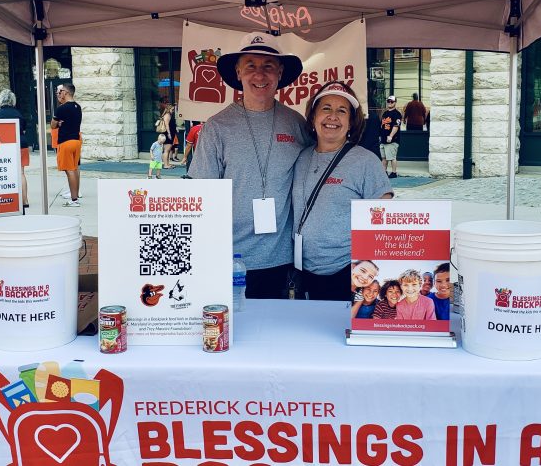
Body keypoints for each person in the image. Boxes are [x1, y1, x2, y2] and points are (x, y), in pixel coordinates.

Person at [188, 31, 309, 298]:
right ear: (238, 72)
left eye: (268, 66)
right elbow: (201, 196)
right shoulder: (216, 128)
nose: (259, 75)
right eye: (251, 66)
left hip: (284, 259)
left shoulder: (296, 123)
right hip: (232, 258)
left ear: (279, 73)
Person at [292, 81, 394, 300]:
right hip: (302, 270)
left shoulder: (366, 162)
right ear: (313, 117)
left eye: (342, 111)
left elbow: (384, 220)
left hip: (346, 273)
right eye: (326, 109)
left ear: (351, 122)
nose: (333, 117)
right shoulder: (301, 158)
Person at [0, 89, 30, 208]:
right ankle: (25, 200)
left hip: (3, 146)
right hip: (21, 144)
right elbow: (23, 129)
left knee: (3, 173)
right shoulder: (18, 114)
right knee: (21, 173)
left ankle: (5, 199)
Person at [51, 83, 83, 208]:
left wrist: (58, 123)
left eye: (61, 91)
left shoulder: (62, 108)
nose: (59, 94)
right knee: (74, 169)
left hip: (66, 142)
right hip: (76, 140)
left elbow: (53, 125)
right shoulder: (77, 107)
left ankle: (74, 200)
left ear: (66, 92)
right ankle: (75, 197)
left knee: (69, 171)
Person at [379, 95, 402, 179]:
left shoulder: (397, 114)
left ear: (395, 103)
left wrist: (391, 136)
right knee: (384, 157)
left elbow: (396, 126)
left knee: (392, 157)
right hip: (383, 139)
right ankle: (384, 172)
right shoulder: (385, 113)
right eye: (388, 101)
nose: (389, 103)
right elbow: (382, 125)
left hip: (392, 140)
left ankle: (394, 172)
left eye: (391, 101)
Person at [158, 99, 177, 169]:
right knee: (166, 150)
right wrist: (169, 134)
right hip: (167, 134)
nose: (173, 110)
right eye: (172, 109)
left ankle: (167, 163)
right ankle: (166, 165)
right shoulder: (167, 115)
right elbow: (167, 125)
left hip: (170, 133)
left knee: (168, 150)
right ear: (169, 109)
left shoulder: (169, 115)